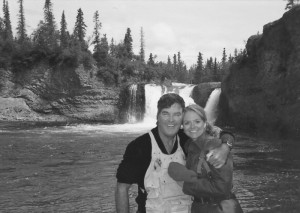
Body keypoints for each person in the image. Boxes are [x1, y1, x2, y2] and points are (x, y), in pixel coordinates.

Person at [115, 93, 234, 213]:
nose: (171, 120)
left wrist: (225, 146)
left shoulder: (187, 139)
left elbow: (220, 133)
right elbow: (122, 188)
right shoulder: (139, 147)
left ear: (182, 118)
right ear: (157, 116)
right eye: (165, 113)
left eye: (177, 114)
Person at [168, 104, 243, 213]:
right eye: (187, 123)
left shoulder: (216, 147)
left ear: (204, 123)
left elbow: (222, 188)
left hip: (221, 208)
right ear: (182, 126)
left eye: (197, 121)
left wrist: (185, 185)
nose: (192, 126)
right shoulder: (190, 145)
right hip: (200, 207)